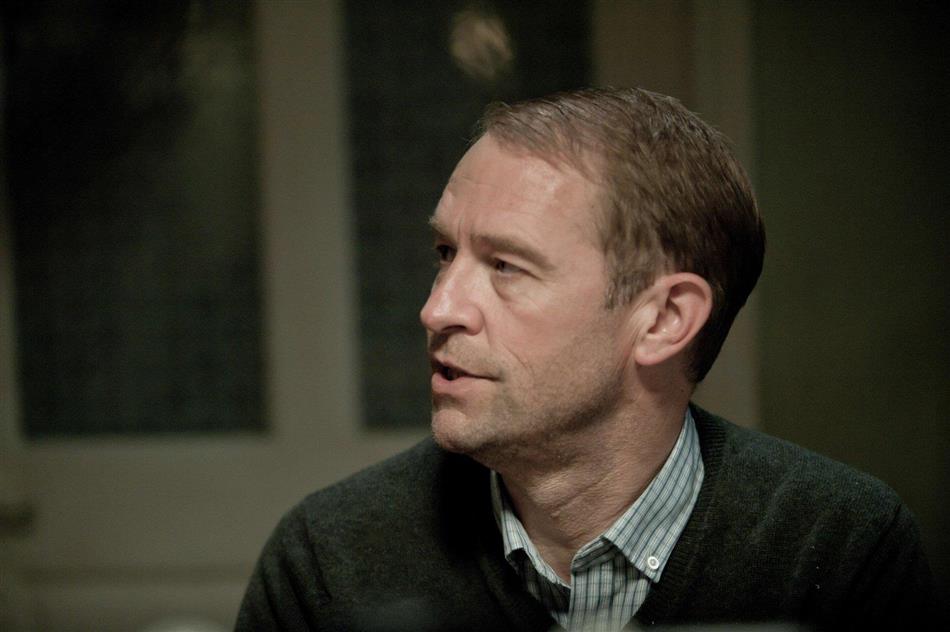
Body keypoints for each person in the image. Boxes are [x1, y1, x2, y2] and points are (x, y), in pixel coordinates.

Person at [236, 88, 938, 630]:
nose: (437, 308)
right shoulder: (329, 560)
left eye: (506, 266)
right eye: (446, 253)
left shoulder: (840, 547)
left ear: (664, 320)